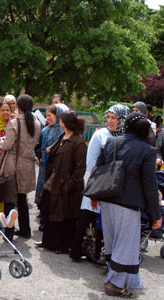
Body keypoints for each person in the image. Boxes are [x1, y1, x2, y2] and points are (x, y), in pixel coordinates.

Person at [91, 112, 162, 298]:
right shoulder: (147, 151)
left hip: (107, 199)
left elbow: (98, 169)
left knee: (113, 241)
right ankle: (115, 283)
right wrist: (156, 214)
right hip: (128, 203)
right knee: (126, 245)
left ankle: (114, 275)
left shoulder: (111, 142)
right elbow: (150, 185)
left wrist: (93, 195)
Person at [70, 104, 130, 263]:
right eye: (108, 117)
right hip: (99, 183)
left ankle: (100, 255)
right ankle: (82, 251)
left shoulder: (127, 137)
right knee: (89, 218)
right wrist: (96, 187)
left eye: (114, 118)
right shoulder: (100, 135)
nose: (110, 121)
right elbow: (91, 162)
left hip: (115, 189)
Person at [35, 110, 86, 253]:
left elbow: (80, 168)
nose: (60, 121)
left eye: (62, 120)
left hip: (67, 185)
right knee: (52, 211)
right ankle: (49, 242)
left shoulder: (78, 142)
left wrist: (70, 185)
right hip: (55, 181)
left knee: (65, 216)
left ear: (65, 123)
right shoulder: (62, 136)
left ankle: (63, 245)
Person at [0, 94, 41, 240]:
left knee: (9, 199)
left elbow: (7, 145)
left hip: (14, 164)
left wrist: (1, 141)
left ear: (18, 107)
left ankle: (9, 233)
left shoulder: (14, 123)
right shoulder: (36, 123)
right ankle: (25, 229)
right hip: (28, 164)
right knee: (22, 198)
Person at [34, 104, 64, 231]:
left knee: (51, 193)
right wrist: (42, 153)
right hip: (44, 167)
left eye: (50, 116)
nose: (47, 119)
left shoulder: (63, 132)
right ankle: (43, 216)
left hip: (55, 168)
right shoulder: (45, 130)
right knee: (43, 191)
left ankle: (48, 220)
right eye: (46, 116)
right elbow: (38, 147)